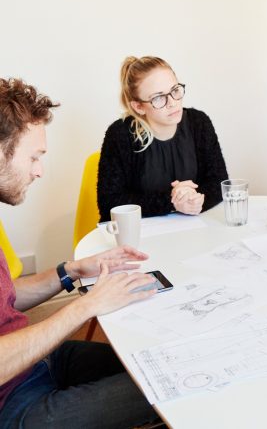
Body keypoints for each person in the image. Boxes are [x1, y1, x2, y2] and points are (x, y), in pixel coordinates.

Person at [0, 77, 160, 428]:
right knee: (165, 387)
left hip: (35, 361)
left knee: (161, 360)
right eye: (34, 157)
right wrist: (87, 305)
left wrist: (70, 271)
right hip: (12, 406)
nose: (39, 170)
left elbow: (6, 297)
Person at [98, 56, 228, 221]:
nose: (172, 103)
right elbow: (109, 203)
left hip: (191, 229)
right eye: (158, 98)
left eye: (174, 90)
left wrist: (195, 198)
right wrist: (171, 200)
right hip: (140, 235)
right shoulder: (120, 134)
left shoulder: (199, 123)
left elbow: (219, 183)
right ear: (138, 106)